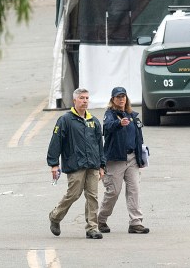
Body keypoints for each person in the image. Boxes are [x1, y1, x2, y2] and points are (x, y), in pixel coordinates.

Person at [47, 88, 106, 239]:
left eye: (87, 98)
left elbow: (100, 144)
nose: (85, 101)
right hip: (75, 164)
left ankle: (92, 227)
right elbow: (56, 141)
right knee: (73, 194)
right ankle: (55, 216)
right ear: (75, 101)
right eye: (82, 98)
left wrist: (102, 165)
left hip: (92, 164)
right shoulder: (65, 120)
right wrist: (54, 164)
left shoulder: (93, 121)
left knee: (92, 196)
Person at [97, 87, 150, 234]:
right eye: (118, 97)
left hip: (132, 158)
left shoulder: (132, 115)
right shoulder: (110, 115)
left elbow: (138, 137)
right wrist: (119, 124)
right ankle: (101, 219)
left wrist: (141, 155)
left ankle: (136, 222)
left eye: (123, 96)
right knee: (113, 191)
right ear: (113, 99)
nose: (121, 99)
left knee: (134, 190)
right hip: (115, 160)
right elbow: (106, 128)